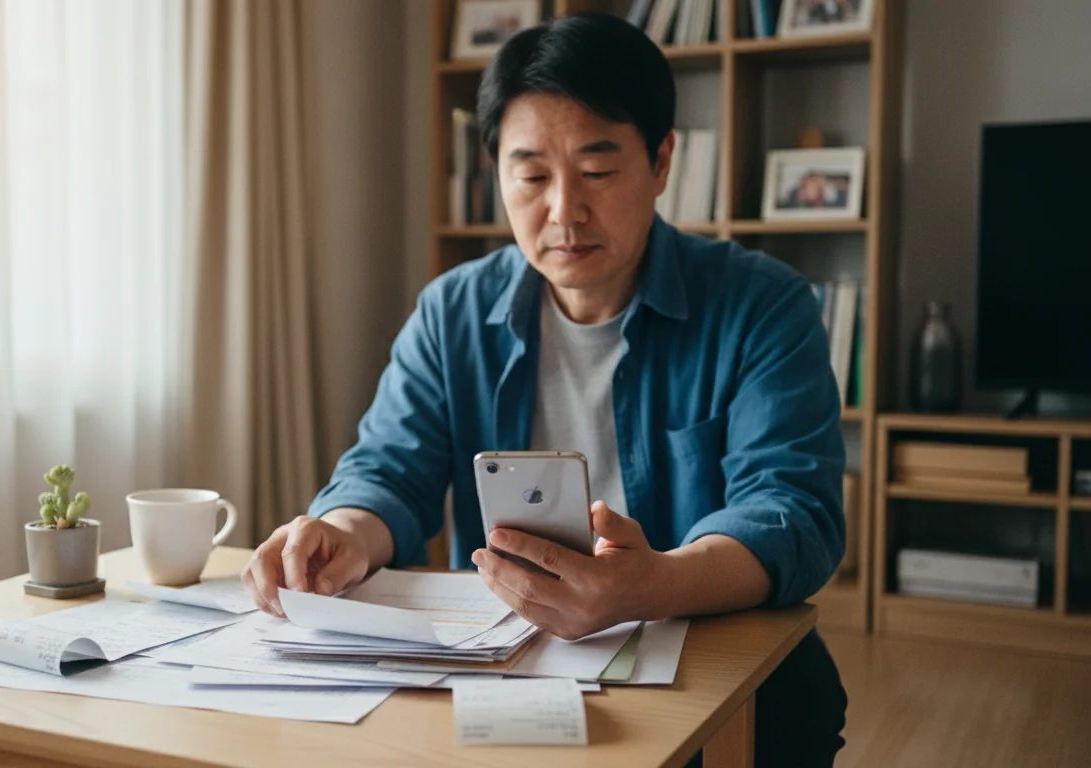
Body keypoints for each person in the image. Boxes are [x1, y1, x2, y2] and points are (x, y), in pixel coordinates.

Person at [241, 12, 847, 766]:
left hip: (725, 681)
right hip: (514, 673)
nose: (563, 211)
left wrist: (651, 584)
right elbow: (388, 469)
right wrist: (343, 531)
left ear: (661, 162)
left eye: (597, 171)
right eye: (531, 175)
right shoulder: (453, 311)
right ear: (496, 170)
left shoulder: (763, 305)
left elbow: (792, 512)